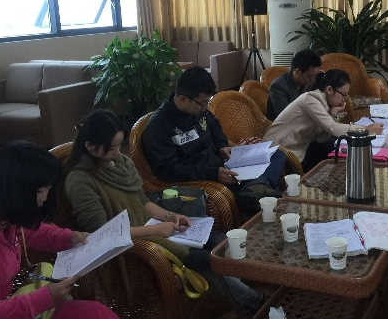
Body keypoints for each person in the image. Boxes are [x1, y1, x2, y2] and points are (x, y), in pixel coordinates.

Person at [64, 110, 263, 310]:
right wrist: (155, 230)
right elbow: (103, 232)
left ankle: (245, 298)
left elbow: (142, 201)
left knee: (219, 240)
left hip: (153, 228)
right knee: (204, 260)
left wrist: (171, 216)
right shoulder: (80, 180)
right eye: (111, 148)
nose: (117, 152)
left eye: (119, 145)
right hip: (132, 245)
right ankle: (255, 302)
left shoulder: (120, 163)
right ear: (89, 146)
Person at [0, 141, 118, 319]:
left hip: (12, 304)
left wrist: (69, 238)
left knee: (96, 312)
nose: (44, 198)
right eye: (40, 191)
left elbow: (29, 231)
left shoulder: (7, 217)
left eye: (48, 189)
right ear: (14, 189)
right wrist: (44, 299)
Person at [143, 66, 286, 212]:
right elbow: (169, 169)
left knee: (276, 154)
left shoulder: (198, 110)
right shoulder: (159, 127)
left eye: (208, 101)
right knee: (264, 195)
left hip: (224, 162)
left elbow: (214, 125)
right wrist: (213, 173)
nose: (206, 107)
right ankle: (257, 189)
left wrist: (221, 145)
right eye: (203, 103)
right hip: (205, 176)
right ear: (183, 99)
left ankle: (255, 189)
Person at [263, 70, 384, 172]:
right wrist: (365, 130)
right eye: (343, 95)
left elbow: (322, 137)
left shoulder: (323, 104)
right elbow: (333, 128)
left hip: (299, 148)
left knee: (332, 145)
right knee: (332, 148)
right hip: (279, 149)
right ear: (329, 90)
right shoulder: (310, 99)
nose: (344, 100)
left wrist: (333, 113)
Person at [267, 49, 323, 121]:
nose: (312, 79)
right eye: (310, 76)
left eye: (314, 76)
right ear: (297, 71)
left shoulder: (305, 81)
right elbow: (285, 116)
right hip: (285, 125)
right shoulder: (278, 87)